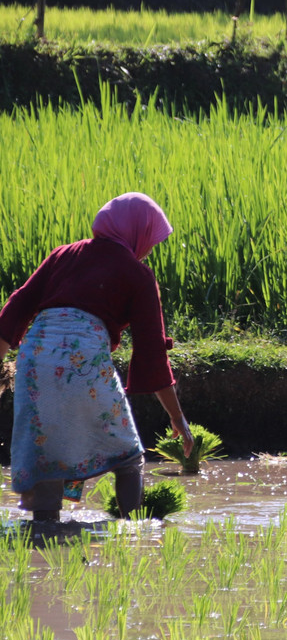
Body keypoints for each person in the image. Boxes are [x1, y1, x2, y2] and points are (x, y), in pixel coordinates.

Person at [0, 192, 194, 523]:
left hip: (35, 357)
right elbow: (151, 353)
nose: (149, 250)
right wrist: (177, 418)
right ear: (138, 231)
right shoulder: (137, 274)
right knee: (128, 455)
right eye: (151, 240)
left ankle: (44, 531)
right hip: (83, 360)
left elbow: (15, 308)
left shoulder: (64, 254)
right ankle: (134, 533)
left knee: (46, 451)